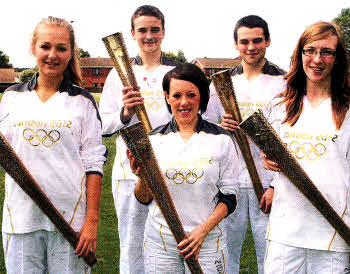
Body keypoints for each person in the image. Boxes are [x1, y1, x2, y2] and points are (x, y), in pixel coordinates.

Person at [0, 16, 106, 273]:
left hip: (71, 222)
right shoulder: (12, 97)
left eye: (61, 48)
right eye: (45, 46)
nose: (52, 55)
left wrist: (91, 221)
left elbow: (94, 163)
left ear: (71, 53)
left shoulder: (83, 101)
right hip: (21, 221)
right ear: (33, 48)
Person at [128, 63, 240, 273]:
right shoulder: (153, 140)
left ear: (202, 96)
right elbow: (144, 198)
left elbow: (230, 197)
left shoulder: (222, 139)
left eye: (191, 95)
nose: (184, 102)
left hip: (207, 240)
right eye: (176, 95)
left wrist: (202, 232)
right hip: (161, 240)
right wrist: (143, 177)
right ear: (167, 97)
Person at [262, 21, 350, 273]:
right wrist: (269, 160)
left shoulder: (346, 108)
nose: (317, 59)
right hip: (285, 230)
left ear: (338, 57)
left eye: (327, 52)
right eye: (310, 50)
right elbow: (272, 158)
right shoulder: (281, 106)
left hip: (333, 232)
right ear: (300, 53)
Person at [99, 5, 179, 273]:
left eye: (154, 30)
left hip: (172, 169)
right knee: (132, 245)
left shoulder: (177, 72)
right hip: (129, 172)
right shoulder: (117, 74)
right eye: (142, 30)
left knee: (171, 243)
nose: (149, 36)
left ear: (164, 32)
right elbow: (104, 125)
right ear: (132, 33)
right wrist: (125, 112)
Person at [204, 15, 286, 273]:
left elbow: (290, 135)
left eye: (257, 41)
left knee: (271, 252)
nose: (251, 47)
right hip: (231, 181)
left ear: (268, 41)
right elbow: (204, 128)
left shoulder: (284, 82)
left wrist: (276, 184)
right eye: (245, 42)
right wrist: (221, 127)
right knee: (228, 250)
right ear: (236, 45)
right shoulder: (222, 83)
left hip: (268, 181)